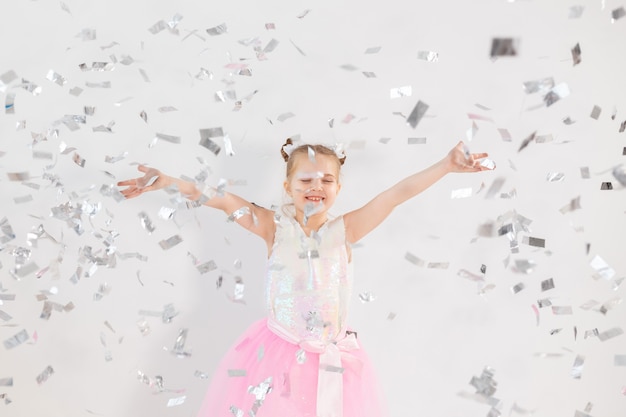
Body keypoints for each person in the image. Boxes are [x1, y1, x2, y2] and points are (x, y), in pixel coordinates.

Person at [117, 139, 494, 417]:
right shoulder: (271, 227)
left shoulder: (346, 230)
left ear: (338, 189)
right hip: (276, 356)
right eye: (305, 180)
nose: (316, 187)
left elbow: (394, 195)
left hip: (333, 359)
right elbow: (220, 199)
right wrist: (169, 182)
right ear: (288, 188)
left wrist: (445, 166)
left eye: (327, 180)